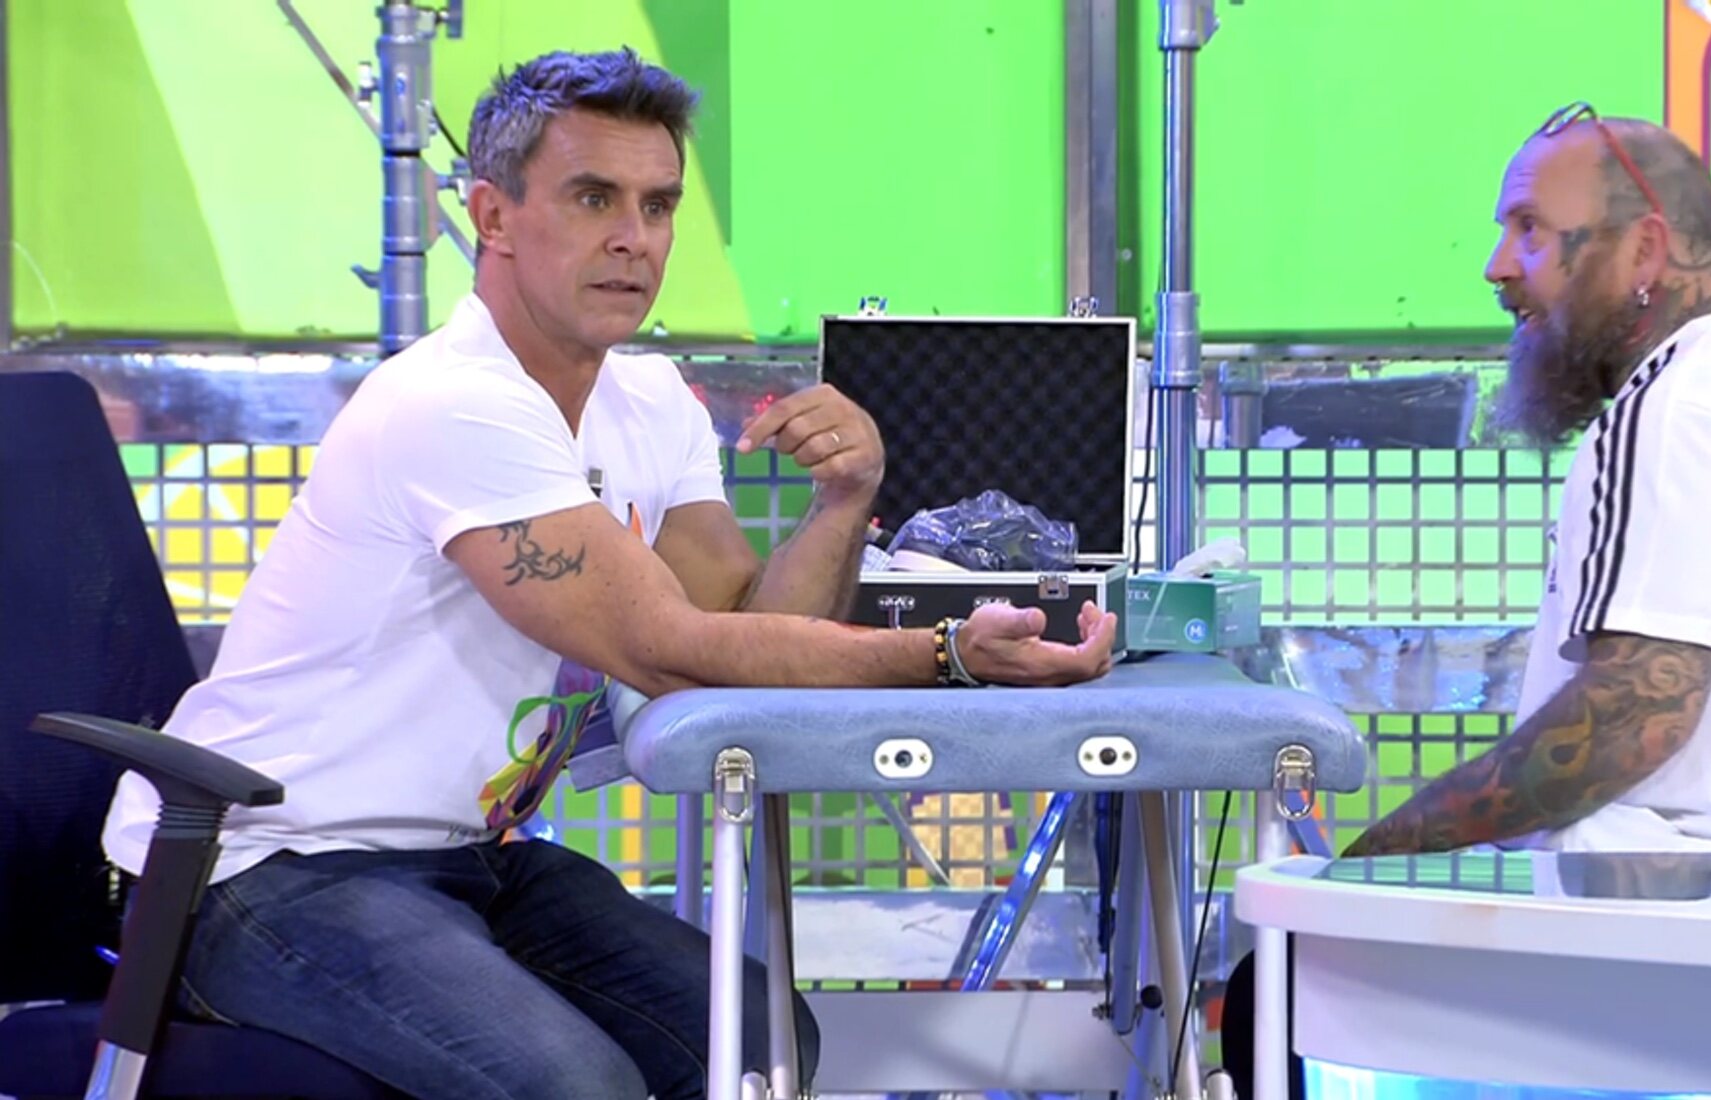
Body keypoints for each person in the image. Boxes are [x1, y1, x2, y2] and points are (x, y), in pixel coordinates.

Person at [100, 49, 1118, 1100]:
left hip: (467, 857)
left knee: (755, 1044)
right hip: (261, 868)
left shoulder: (649, 402)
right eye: (594, 198)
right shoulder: (451, 403)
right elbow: (672, 654)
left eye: (657, 204)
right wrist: (946, 654)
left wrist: (845, 499)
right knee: (574, 1086)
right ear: (492, 217)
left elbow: (740, 623)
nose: (635, 237)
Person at [1221, 103, 1711, 1096]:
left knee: (1277, 992)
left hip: (1661, 976)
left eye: (1530, 230)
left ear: (1643, 249)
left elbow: (1626, 722)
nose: (1496, 268)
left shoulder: (1670, 410)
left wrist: (1373, 864)